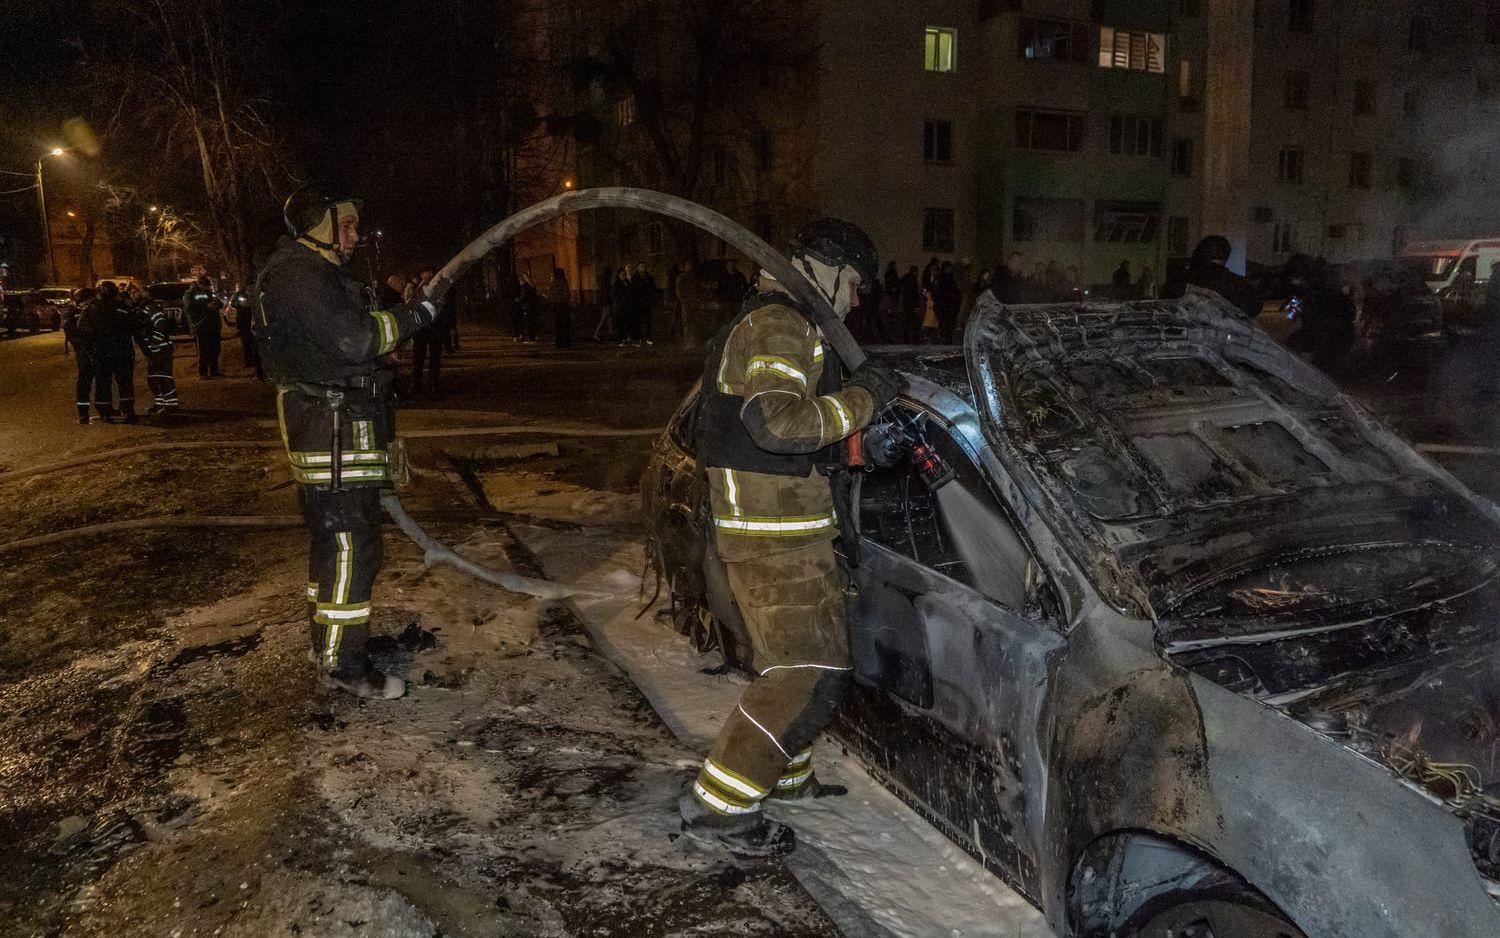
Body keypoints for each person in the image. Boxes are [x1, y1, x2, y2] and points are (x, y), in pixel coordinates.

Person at [682, 217, 904, 857]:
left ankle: (788, 775)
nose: (855, 302)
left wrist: (856, 435)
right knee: (806, 672)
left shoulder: (786, 322)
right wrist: (861, 401)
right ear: (827, 269)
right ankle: (720, 807)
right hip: (773, 534)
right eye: (854, 286)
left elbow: (793, 431)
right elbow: (775, 425)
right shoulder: (781, 324)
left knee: (810, 660)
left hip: (788, 527)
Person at [253, 182, 440, 699]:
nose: (356, 235)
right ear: (319, 225)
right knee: (352, 546)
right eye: (348, 224)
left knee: (335, 544)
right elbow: (355, 338)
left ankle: (332, 641)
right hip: (332, 430)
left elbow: (338, 346)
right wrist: (416, 316)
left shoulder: (307, 273)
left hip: (335, 424)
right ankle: (343, 664)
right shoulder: (299, 274)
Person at [1161, 235, 1262, 320]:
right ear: (1225, 258)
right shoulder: (1232, 282)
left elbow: (1163, 304)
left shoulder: (1179, 279)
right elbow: (1254, 308)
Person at [95, 282, 139, 422]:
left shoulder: (92, 309)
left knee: (103, 382)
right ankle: (128, 412)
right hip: (122, 351)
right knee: (125, 382)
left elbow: (83, 329)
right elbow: (134, 326)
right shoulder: (122, 309)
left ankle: (105, 412)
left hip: (102, 352)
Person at [136, 293, 180, 413]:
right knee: (153, 379)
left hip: (161, 349)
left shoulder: (151, 309)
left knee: (163, 377)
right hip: (154, 350)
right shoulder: (144, 310)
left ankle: (171, 405)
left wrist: (155, 342)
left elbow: (161, 324)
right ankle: (160, 402)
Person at [70, 287, 105, 425]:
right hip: (89, 351)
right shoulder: (84, 313)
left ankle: (87, 412)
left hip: (85, 352)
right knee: (91, 380)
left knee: (88, 381)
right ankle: (86, 412)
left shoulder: (81, 312)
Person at [411, 268, 448, 392]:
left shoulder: (440, 288)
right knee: (418, 356)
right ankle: (416, 383)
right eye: (425, 273)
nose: (427, 275)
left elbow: (444, 307)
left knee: (434, 356)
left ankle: (433, 383)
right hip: (421, 328)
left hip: (435, 326)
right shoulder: (416, 288)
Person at [184, 276, 223, 378]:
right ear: (200, 284)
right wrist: (206, 306)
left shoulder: (208, 292)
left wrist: (216, 304)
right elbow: (189, 307)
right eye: (206, 286)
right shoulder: (190, 294)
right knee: (204, 351)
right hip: (201, 326)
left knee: (215, 350)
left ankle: (214, 371)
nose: (207, 288)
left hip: (213, 326)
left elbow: (219, 302)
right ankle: (203, 373)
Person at [230, 284, 262, 380]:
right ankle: (249, 362)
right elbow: (233, 303)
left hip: (251, 321)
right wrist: (240, 305)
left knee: (255, 344)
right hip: (244, 321)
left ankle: (257, 367)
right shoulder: (239, 294)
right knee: (247, 343)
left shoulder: (254, 293)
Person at [632, 263, 656, 345]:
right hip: (638, 303)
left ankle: (647, 337)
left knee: (648, 320)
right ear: (638, 268)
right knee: (638, 321)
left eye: (644, 266)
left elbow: (653, 289)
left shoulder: (649, 278)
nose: (643, 268)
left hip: (647, 303)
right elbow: (634, 291)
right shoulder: (635, 278)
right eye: (641, 266)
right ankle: (639, 338)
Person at [548, 266, 573, 349]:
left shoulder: (553, 283)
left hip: (555, 305)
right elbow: (567, 294)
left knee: (558, 324)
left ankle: (559, 342)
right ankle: (565, 341)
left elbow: (550, 295)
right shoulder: (563, 282)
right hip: (563, 305)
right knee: (565, 324)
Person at [900, 264, 921, 343]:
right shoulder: (913, 280)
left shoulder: (905, 279)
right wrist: (916, 305)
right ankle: (915, 338)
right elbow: (914, 294)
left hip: (906, 303)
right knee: (914, 321)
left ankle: (907, 337)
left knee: (907, 320)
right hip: (912, 304)